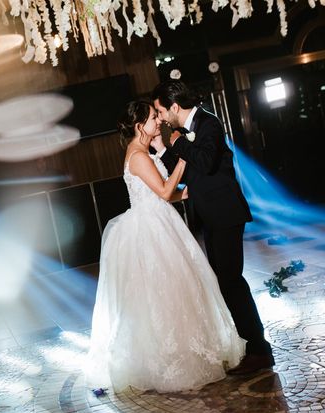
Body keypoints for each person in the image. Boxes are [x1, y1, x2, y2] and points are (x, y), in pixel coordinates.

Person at [84, 100, 245, 393]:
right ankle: (167, 361)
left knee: (177, 290)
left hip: (160, 220)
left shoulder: (144, 151)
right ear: (139, 126)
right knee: (163, 291)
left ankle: (185, 350)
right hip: (150, 229)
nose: (158, 121)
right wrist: (184, 155)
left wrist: (185, 195)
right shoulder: (137, 155)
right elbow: (164, 190)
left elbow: (165, 194)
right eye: (152, 118)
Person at [151, 80, 274, 375]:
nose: (161, 117)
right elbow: (188, 168)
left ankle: (259, 349)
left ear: (174, 107)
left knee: (231, 281)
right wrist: (163, 149)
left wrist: (177, 142)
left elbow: (204, 162)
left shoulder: (209, 123)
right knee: (224, 282)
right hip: (210, 216)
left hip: (226, 214)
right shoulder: (185, 133)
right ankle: (248, 345)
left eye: (160, 110)